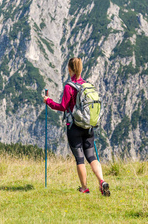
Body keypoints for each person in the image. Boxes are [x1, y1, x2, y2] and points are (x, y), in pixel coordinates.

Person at [43, 57, 110, 196]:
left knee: (80, 159)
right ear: (81, 69)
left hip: (74, 127)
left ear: (69, 69)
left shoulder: (69, 87)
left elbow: (62, 107)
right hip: (88, 126)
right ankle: (102, 181)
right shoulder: (86, 85)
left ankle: (84, 187)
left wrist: (48, 101)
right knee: (91, 156)